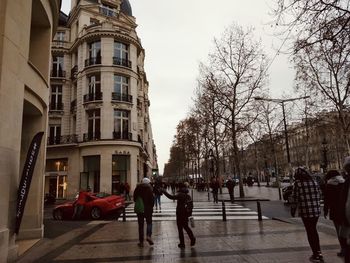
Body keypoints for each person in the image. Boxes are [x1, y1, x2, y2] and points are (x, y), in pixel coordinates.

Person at [290, 167, 323, 263]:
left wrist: (293, 209)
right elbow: (319, 194)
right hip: (316, 211)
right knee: (314, 230)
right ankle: (318, 251)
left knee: (310, 231)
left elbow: (295, 198)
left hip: (305, 211)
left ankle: (316, 253)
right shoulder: (314, 182)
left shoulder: (298, 184)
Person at [162, 182, 196, 248]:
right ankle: (192, 238)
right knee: (186, 227)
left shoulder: (180, 195)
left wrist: (164, 192)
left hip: (180, 213)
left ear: (180, 188)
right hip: (186, 214)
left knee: (180, 229)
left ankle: (182, 243)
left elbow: (171, 197)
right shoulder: (188, 195)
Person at [323, 169, 346, 257]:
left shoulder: (329, 185)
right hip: (345, 210)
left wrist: (325, 210)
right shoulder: (344, 182)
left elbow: (327, 199)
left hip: (335, 211)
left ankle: (343, 249)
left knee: (339, 231)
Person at [133, 177, 154, 247]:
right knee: (149, 223)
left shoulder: (138, 188)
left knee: (141, 226)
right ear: (148, 182)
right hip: (148, 209)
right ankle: (148, 236)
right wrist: (151, 206)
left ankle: (141, 242)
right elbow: (152, 200)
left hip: (140, 209)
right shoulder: (150, 189)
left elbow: (134, 198)